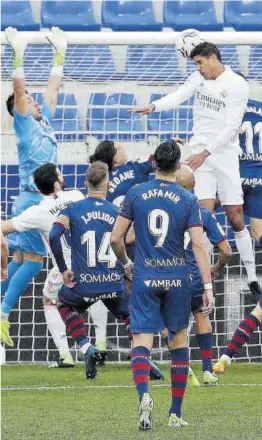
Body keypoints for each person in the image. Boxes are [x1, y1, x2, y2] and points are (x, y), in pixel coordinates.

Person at [131, 42, 261, 299]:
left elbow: (233, 125)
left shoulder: (237, 84)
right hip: (200, 154)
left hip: (223, 155)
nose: (198, 68)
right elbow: (179, 95)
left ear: (213, 58)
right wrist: (155, 106)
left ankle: (252, 276)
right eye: (195, 64)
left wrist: (205, 153)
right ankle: (200, 275)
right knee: (203, 215)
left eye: (200, 63)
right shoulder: (197, 79)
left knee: (236, 216)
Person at [111, 140, 214, 430]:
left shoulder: (135, 193)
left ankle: (145, 396)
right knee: (178, 342)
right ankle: (175, 414)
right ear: (179, 165)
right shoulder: (188, 199)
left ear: (154, 162)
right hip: (179, 279)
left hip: (145, 277)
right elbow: (197, 244)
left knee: (142, 341)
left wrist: (127, 265)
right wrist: (206, 287)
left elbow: (116, 239)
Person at [49, 161, 162, 381]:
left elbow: (54, 236)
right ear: (108, 185)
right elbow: (129, 239)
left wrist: (64, 269)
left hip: (84, 285)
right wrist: (128, 265)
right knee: (131, 314)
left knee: (63, 303)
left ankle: (86, 347)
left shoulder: (72, 209)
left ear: (85, 184)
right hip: (114, 283)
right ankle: (141, 356)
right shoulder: (118, 212)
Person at [126, 166, 232, 387]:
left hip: (161, 273)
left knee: (162, 323)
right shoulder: (202, 213)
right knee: (202, 316)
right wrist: (216, 267)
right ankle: (206, 370)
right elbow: (226, 250)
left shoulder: (153, 205)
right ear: (193, 186)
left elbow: (128, 239)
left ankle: (184, 365)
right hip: (193, 276)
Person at [1, 26, 67, 346]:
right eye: (27, 100)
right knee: (34, 262)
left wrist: (59, 54)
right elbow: (18, 87)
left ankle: (0, 305)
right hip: (30, 201)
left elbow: (52, 91)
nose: (34, 102)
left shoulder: (46, 122)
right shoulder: (24, 126)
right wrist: (18, 54)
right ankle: (3, 315)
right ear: (20, 109)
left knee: (16, 263)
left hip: (37, 201)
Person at [1, 163, 84, 366]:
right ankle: (96, 345)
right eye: (59, 173)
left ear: (38, 189)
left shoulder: (37, 212)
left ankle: (67, 355)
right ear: (57, 183)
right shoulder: (77, 196)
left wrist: (3, 264)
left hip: (66, 270)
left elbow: (3, 230)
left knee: (49, 299)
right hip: (93, 265)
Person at [88, 139, 155, 358]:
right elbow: (155, 162)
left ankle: (109, 342)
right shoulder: (134, 168)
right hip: (137, 244)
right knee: (141, 297)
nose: (124, 149)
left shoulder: (101, 181)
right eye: (120, 148)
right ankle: (141, 346)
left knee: (121, 296)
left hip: (112, 246)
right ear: (116, 157)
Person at [214, 99, 262, 373]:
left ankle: (225, 359)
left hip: (237, 172)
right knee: (256, 230)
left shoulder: (226, 108)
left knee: (215, 208)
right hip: (257, 174)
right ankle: (225, 358)